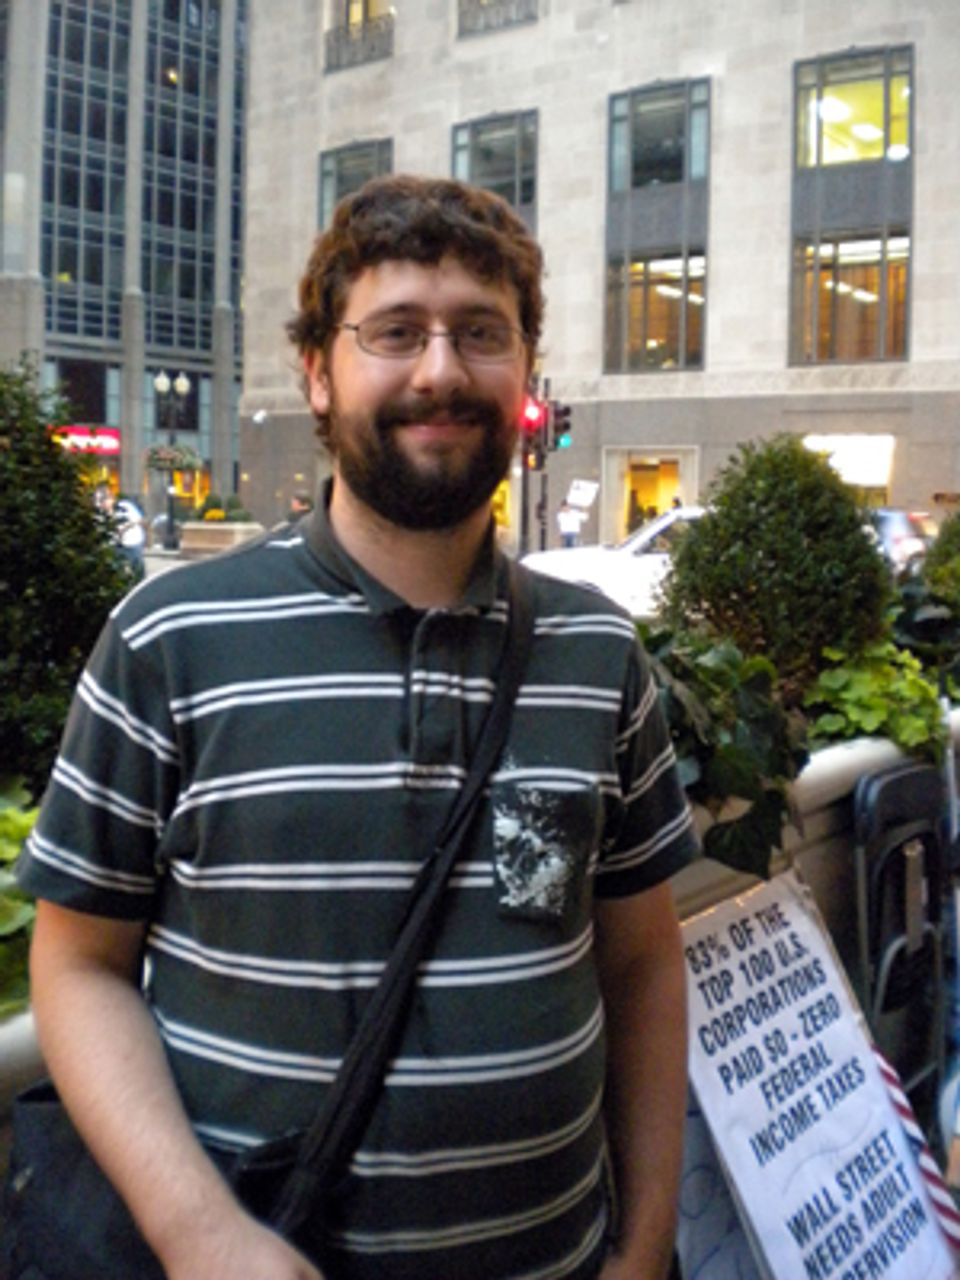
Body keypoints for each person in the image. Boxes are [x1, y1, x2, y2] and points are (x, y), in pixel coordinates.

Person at [18, 175, 697, 1280]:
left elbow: (642, 962)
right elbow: (78, 964)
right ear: (318, 374)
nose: (441, 370)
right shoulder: (170, 639)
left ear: (526, 368)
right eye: (395, 331)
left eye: (482, 331)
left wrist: (646, 1238)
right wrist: (198, 1234)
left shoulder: (597, 652)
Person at [96, 484, 146, 578]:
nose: (101, 504)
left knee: (137, 569)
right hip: (116, 547)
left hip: (132, 542)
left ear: (112, 499)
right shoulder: (100, 517)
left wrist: (125, 527)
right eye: (99, 501)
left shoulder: (124, 506)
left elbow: (139, 519)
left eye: (104, 499)